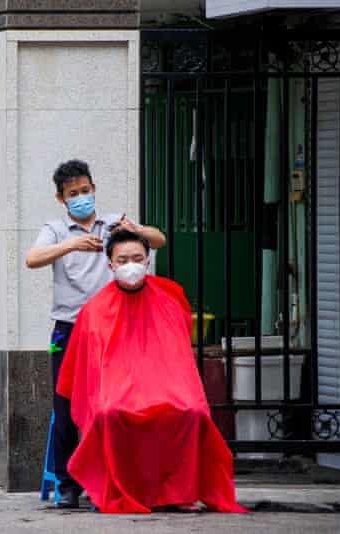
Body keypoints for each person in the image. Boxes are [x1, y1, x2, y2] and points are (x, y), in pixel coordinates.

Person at [55, 229, 247, 514]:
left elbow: (177, 357)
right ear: (111, 265)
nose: (130, 264)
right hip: (116, 389)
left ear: (147, 262)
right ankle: (118, 489)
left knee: (191, 411)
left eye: (137, 258)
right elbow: (88, 371)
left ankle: (179, 492)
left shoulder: (168, 300)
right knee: (109, 413)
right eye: (123, 260)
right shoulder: (95, 310)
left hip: (165, 385)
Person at [25, 159, 166, 508]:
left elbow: (158, 239)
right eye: (73, 194)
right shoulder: (56, 229)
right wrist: (71, 245)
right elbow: (32, 258)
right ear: (61, 199)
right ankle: (67, 483)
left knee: (119, 404)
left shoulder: (114, 223)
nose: (81, 198)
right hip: (70, 330)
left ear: (94, 188)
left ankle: (119, 476)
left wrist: (138, 230)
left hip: (115, 328)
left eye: (85, 191)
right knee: (67, 407)